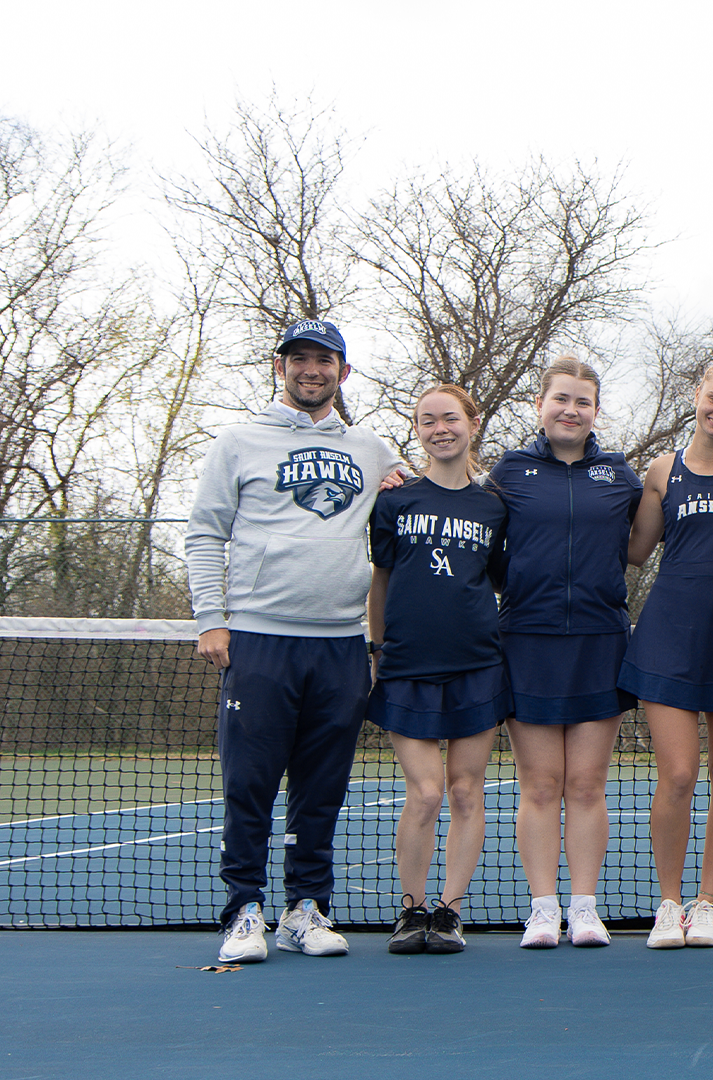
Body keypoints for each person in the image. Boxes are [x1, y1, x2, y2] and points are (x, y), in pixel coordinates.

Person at [187, 318, 402, 963]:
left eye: (325, 360)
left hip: (341, 645)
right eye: (299, 359)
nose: (312, 370)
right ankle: (244, 910)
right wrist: (210, 619)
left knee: (322, 786)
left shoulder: (372, 448)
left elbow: (412, 507)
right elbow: (204, 533)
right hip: (259, 640)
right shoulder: (238, 442)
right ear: (281, 368)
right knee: (249, 783)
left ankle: (306, 908)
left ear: (343, 371)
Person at [487, 357, 642, 949]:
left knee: (586, 785)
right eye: (560, 400)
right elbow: (481, 540)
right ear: (540, 404)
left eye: (582, 402)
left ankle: (584, 907)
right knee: (541, 785)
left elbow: (651, 534)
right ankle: (543, 908)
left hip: (600, 643)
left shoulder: (621, 476)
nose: (570, 410)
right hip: (526, 641)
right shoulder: (508, 472)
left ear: (596, 411)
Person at [621, 351, 713, 949]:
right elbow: (635, 550)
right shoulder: (660, 470)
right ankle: (669, 902)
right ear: (696, 395)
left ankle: (707, 904)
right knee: (679, 774)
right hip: (668, 632)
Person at [366, 385, 509, 955]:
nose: (439, 428)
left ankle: (449, 912)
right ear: (418, 430)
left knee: (466, 791)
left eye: (450, 417)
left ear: (472, 424)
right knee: (425, 793)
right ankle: (411, 910)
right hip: (406, 666)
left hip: (478, 665)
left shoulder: (494, 506)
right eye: (427, 420)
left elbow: (495, 580)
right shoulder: (394, 501)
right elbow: (380, 581)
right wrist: (377, 651)